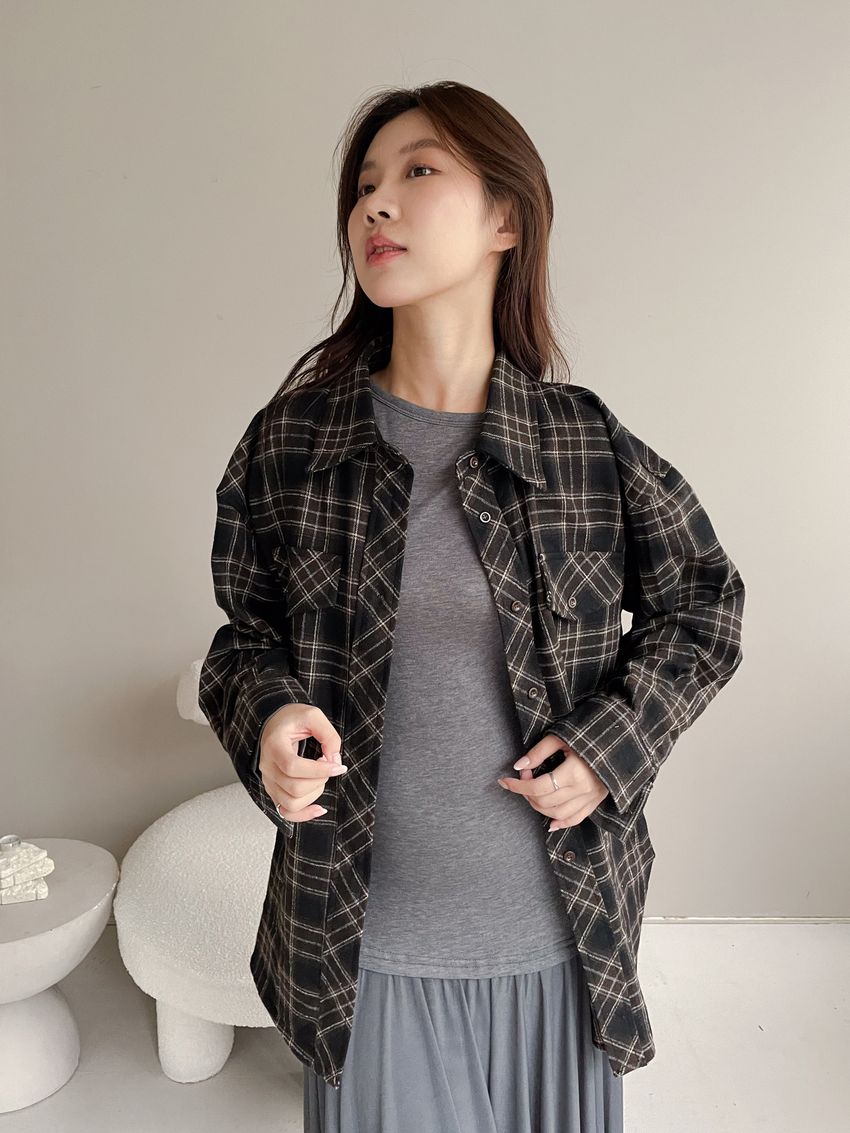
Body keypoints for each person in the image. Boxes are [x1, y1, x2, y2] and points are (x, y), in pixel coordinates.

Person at [198, 81, 745, 1133]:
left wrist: (609, 747)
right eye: (364, 184)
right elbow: (244, 640)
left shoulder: (583, 443)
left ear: (506, 218)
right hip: (359, 949)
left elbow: (705, 605)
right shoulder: (294, 443)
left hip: (561, 940)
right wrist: (267, 715)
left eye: (418, 171)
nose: (374, 204)